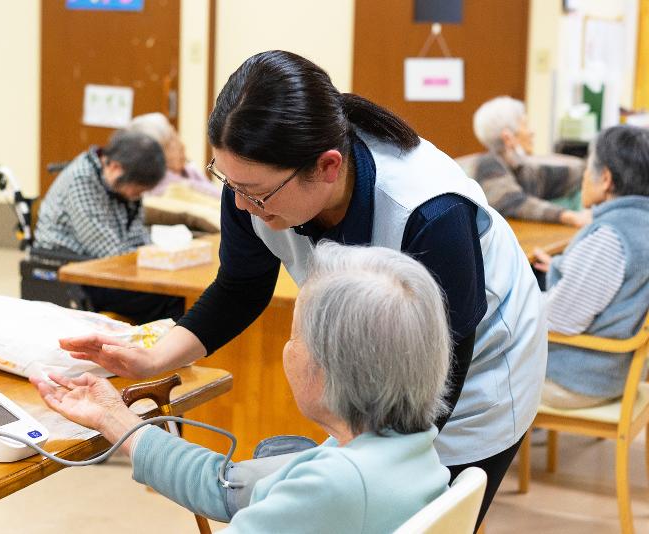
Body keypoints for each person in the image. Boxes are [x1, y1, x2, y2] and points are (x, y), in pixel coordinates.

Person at [58, 50, 546, 526]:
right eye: (229, 183)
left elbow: (442, 375)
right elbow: (241, 286)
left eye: (256, 193)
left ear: (328, 167)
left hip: (478, 366)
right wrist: (155, 358)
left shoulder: (428, 209)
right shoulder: (252, 183)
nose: (243, 205)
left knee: (422, 505)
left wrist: (354, 466)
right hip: (377, 390)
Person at [32, 243, 453, 533]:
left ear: (331, 368)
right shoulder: (404, 452)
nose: (289, 349)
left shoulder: (337, 484)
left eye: (295, 337)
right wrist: (112, 415)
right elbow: (221, 484)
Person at [533, 125, 649, 409]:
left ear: (606, 178)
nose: (584, 176)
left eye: (588, 168)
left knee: (477, 366)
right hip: (614, 372)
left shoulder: (610, 237)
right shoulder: (639, 224)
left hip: (578, 379)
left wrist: (513, 305)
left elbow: (560, 319)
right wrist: (563, 267)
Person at [34, 131, 184, 324]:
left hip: (106, 266)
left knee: (174, 289)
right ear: (115, 167)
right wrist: (150, 262)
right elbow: (110, 253)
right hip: (75, 270)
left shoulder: (119, 182)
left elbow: (139, 239)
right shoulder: (80, 181)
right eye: (137, 190)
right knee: (170, 298)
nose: (138, 195)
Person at [462, 96, 590, 227]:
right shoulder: (487, 165)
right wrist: (569, 217)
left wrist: (592, 168)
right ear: (508, 137)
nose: (532, 132)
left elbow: (557, 177)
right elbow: (514, 202)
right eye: (525, 125)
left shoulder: (518, 167)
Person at [127, 112, 222, 198]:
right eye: (171, 142)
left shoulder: (190, 170)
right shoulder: (163, 187)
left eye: (176, 136)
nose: (181, 145)